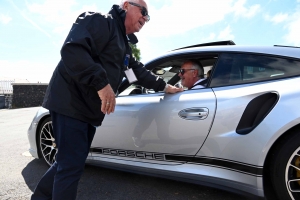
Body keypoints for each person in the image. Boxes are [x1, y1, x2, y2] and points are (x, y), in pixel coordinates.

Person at [31, 1, 182, 199]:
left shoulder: (124, 46)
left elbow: (138, 72)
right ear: (127, 5)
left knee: (68, 162)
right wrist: (102, 84)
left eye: (148, 16)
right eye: (143, 12)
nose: (145, 18)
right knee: (70, 166)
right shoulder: (100, 21)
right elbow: (73, 50)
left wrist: (165, 87)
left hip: (88, 111)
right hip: (71, 103)